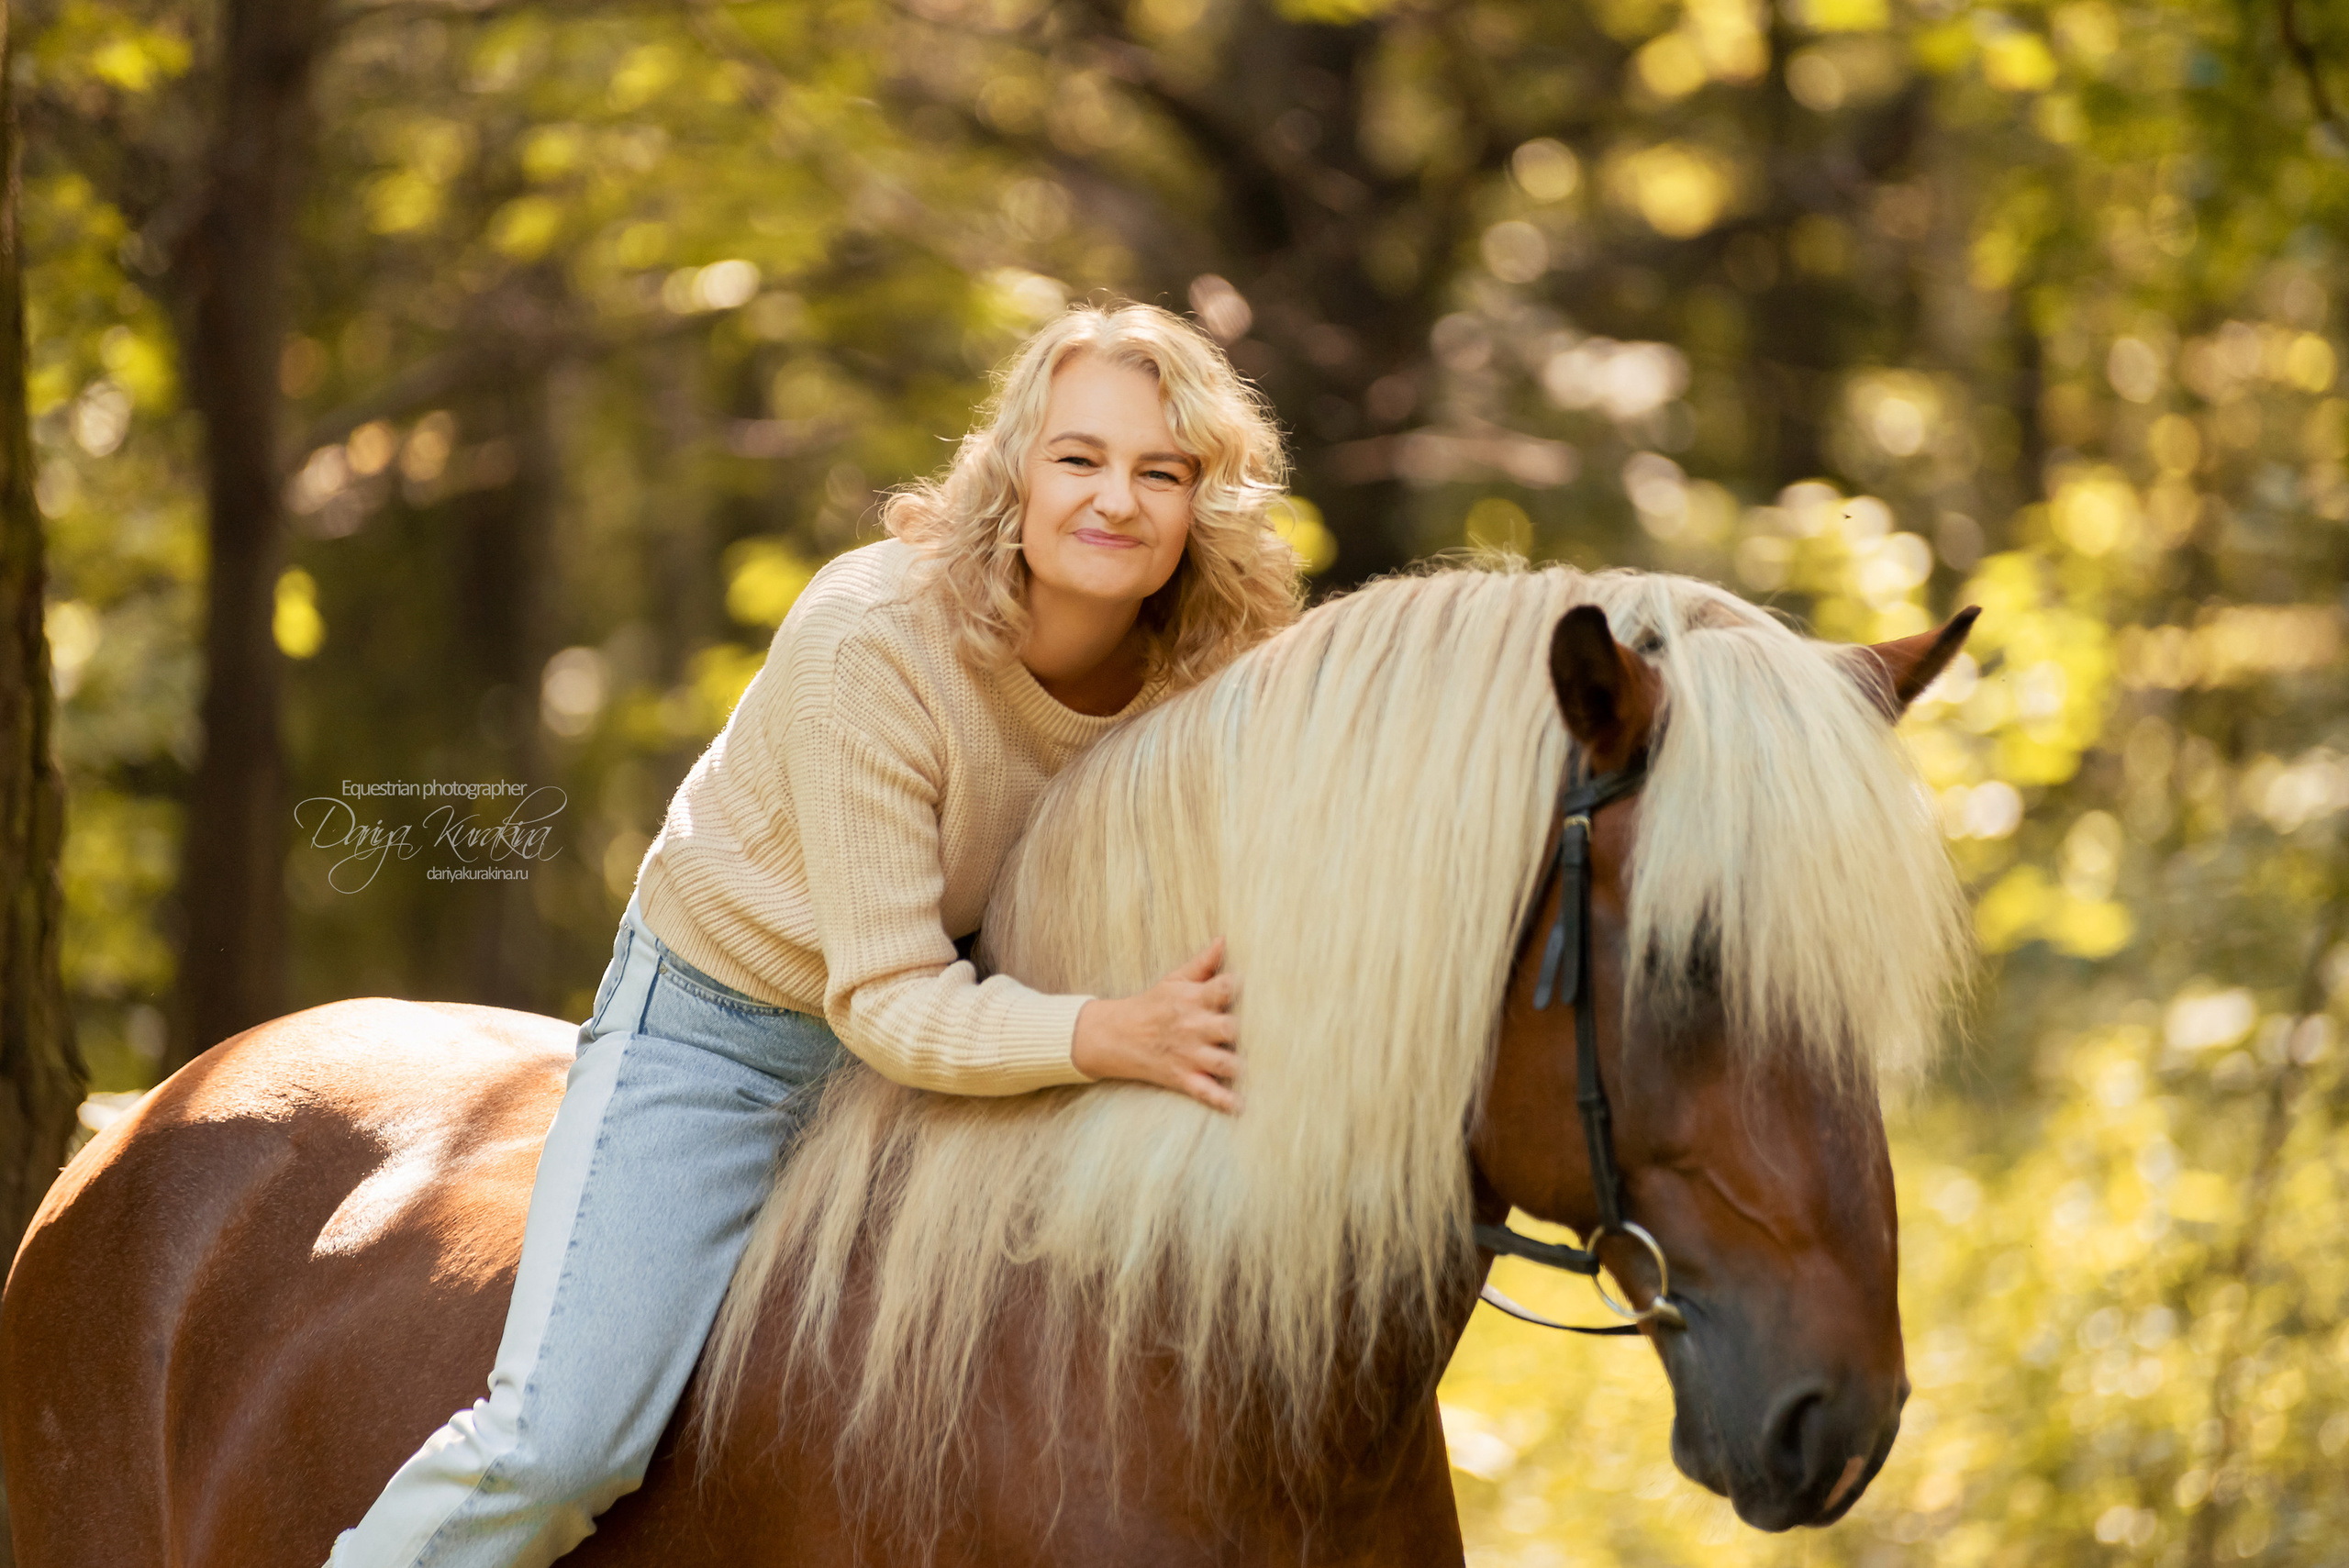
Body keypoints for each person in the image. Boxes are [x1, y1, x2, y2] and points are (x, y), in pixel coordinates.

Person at [326, 300, 1306, 1567]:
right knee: (562, 1447)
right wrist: (1114, 1033)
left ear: (1201, 505)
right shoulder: (876, 636)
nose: (1116, 499)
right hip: (733, 1030)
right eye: (1081, 458)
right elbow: (887, 1001)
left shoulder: (1209, 667)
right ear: (1015, 469)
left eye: (1160, 471)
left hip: (996, 1020)